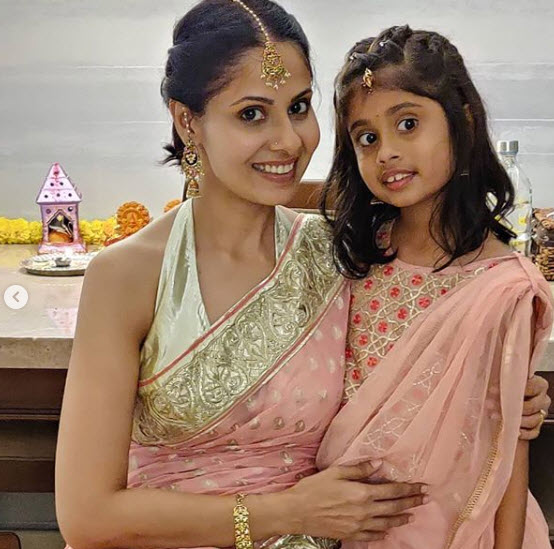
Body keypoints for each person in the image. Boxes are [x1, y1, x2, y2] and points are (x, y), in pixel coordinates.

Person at [55, 3, 550, 548]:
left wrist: (504, 395)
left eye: (298, 107)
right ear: (187, 121)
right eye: (251, 114)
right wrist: (287, 512)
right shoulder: (126, 276)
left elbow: (427, 351)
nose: (289, 141)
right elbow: (87, 517)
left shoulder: (339, 253)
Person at [317, 25, 553, 549]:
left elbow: (507, 452)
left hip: (459, 528)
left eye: (408, 124)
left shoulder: (503, 287)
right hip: (342, 523)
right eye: (366, 137)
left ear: (462, 122)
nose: (386, 152)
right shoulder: (351, 257)